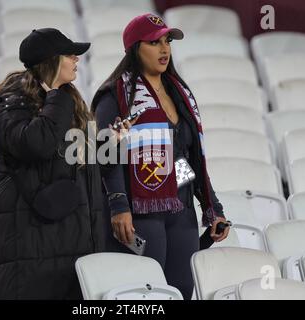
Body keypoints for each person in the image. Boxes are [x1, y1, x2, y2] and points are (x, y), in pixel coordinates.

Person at [91, 14, 230, 299]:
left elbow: (191, 159)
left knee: (180, 292)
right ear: (134, 48)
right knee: (145, 295)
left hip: (182, 209)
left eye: (167, 41)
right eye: (154, 42)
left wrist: (212, 206)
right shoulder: (114, 95)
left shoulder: (180, 93)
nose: (164, 49)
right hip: (141, 212)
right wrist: (119, 205)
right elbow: (106, 152)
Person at [0, 28, 104, 299]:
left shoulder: (66, 99)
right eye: (70, 54)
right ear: (51, 60)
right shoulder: (9, 102)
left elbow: (79, 161)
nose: (77, 60)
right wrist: (57, 99)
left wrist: (109, 143)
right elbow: (37, 144)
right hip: (31, 248)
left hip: (69, 240)